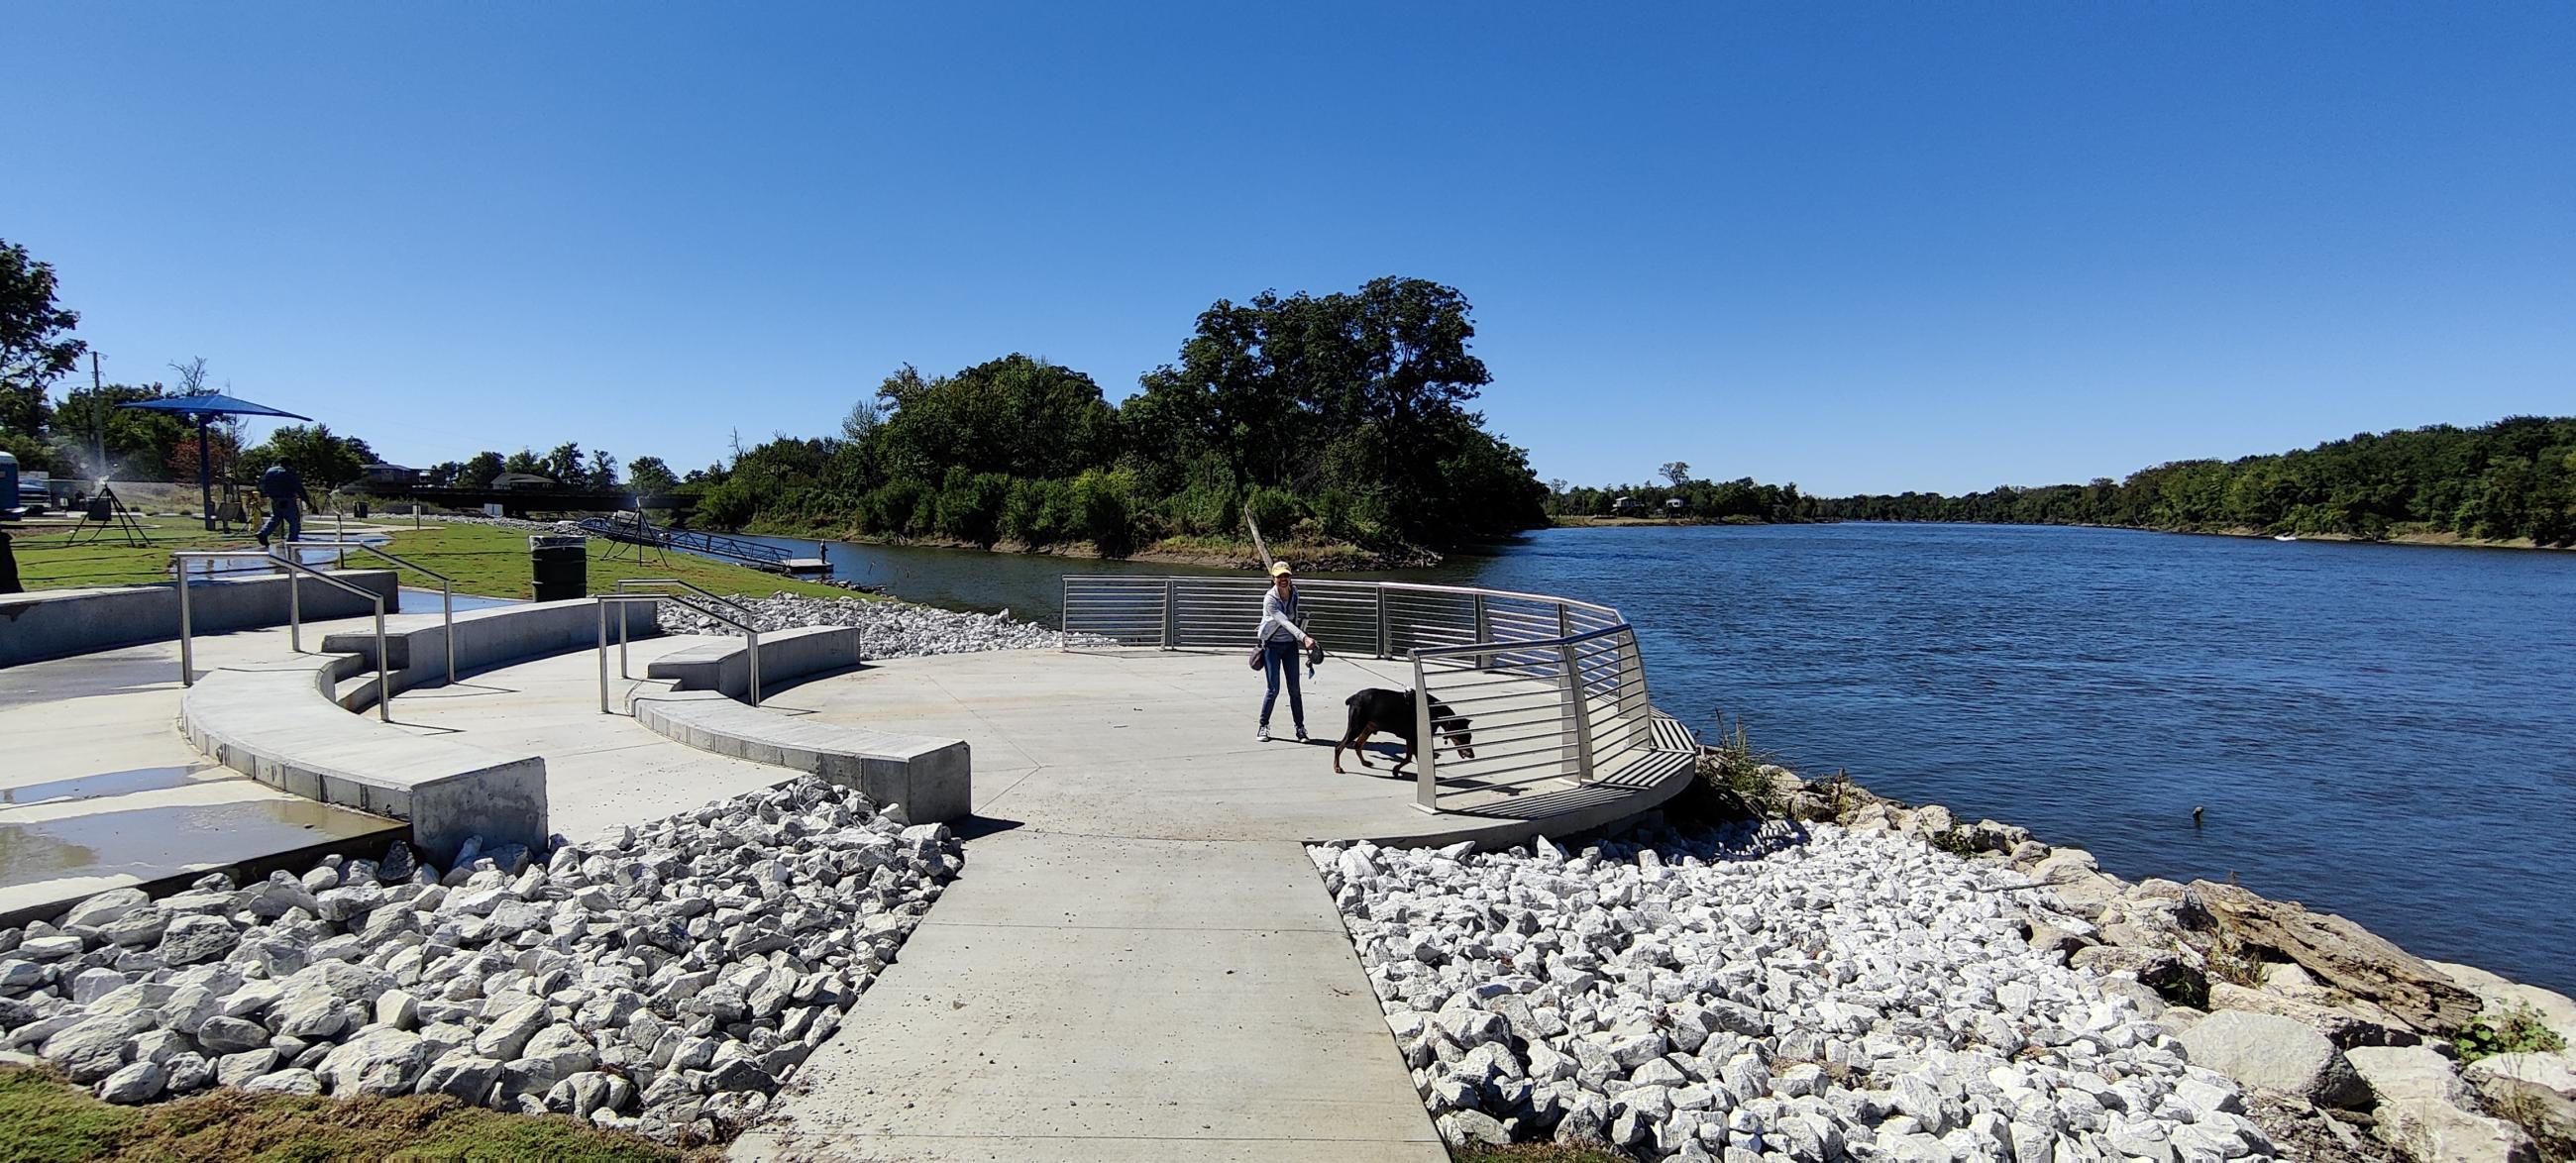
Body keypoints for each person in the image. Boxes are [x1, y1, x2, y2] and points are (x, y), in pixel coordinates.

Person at [1254, 561, 1317, 742]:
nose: (1283, 579)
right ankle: (1263, 726)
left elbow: (1295, 619)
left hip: (1290, 645)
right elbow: (1284, 621)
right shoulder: (1270, 599)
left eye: (1286, 576)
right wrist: (1304, 637)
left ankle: (1300, 728)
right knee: (1273, 688)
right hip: (1271, 645)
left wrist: (1304, 641)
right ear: (1273, 578)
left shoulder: (1294, 593)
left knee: (1295, 689)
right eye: (1279, 576)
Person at [255, 462, 321, 549]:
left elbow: (263, 485)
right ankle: (292, 541)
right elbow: (298, 487)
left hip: (274, 499)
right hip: (287, 499)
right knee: (294, 521)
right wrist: (307, 501)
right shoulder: (288, 472)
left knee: (276, 518)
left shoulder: (269, 471)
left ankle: (263, 533)